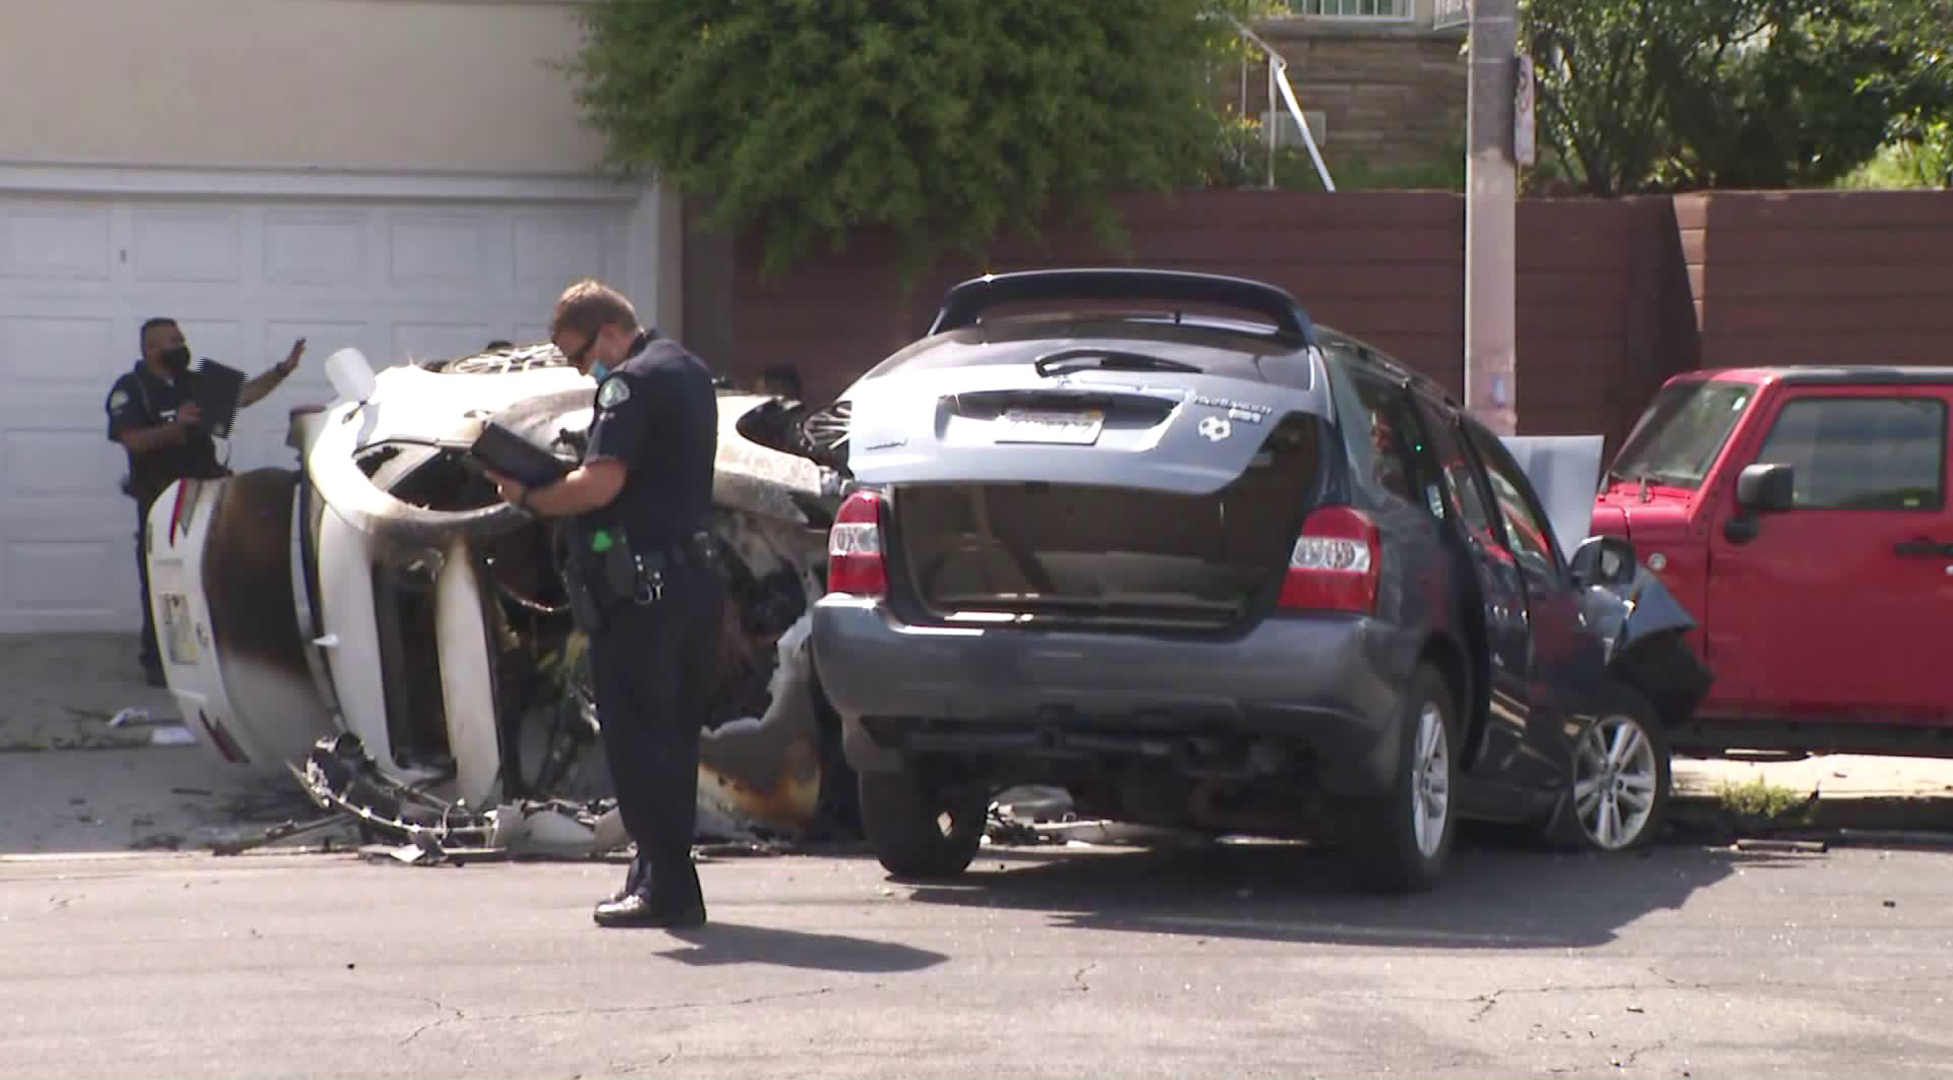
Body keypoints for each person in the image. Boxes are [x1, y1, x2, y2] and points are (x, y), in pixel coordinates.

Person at [483, 279, 725, 929]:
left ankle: (667, 889)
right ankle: (654, 872)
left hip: (643, 594)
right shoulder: (690, 371)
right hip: (691, 583)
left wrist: (529, 497)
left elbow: (599, 484)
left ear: (611, 333)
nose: (579, 368)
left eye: (578, 354)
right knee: (671, 739)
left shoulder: (628, 384)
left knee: (638, 740)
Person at [106, 318, 305, 686]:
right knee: (164, 583)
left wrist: (281, 371)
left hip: (207, 496)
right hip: (161, 501)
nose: (181, 345)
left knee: (212, 575)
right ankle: (161, 662)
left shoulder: (193, 382)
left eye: (181, 338)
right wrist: (176, 426)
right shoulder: (131, 389)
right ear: (151, 349)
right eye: (172, 340)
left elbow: (243, 395)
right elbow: (132, 440)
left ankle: (215, 655)